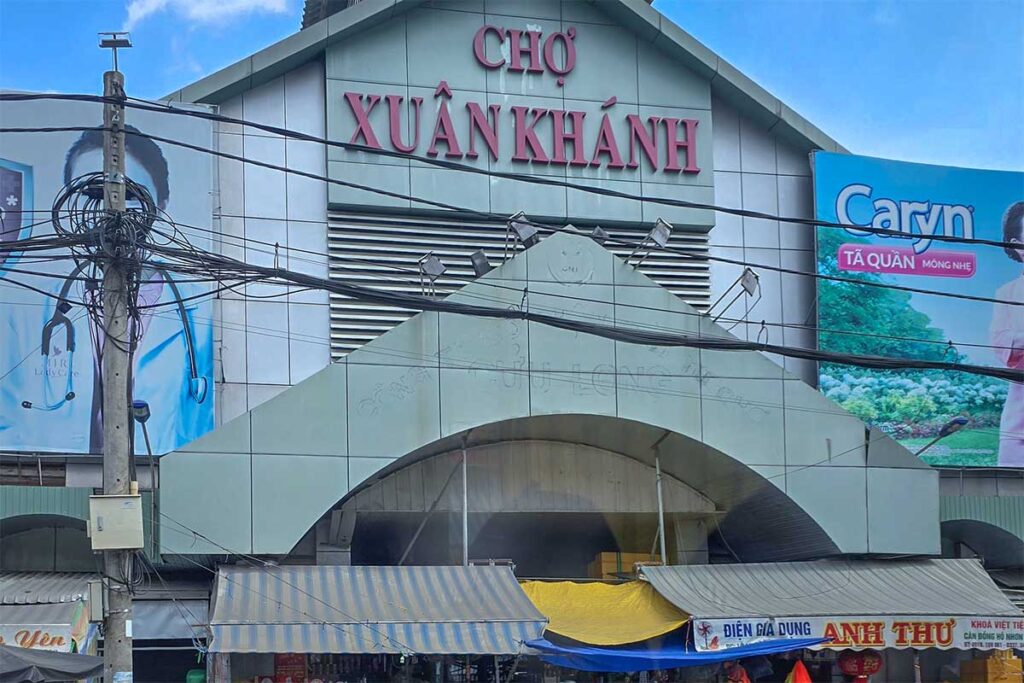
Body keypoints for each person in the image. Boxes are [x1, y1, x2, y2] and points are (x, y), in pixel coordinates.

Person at [991, 201, 1024, 466]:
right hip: (1020, 421)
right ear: (1016, 245)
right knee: (1010, 495)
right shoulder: (1007, 293)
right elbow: (1005, 348)